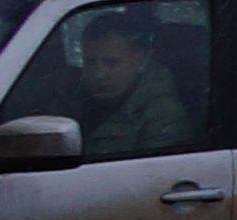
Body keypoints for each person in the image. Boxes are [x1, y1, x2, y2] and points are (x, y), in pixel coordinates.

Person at [72, 13, 196, 158]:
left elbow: (146, 176)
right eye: (90, 62)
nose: (99, 74)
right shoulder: (72, 97)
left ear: (140, 60)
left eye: (111, 63)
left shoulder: (163, 118)